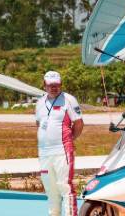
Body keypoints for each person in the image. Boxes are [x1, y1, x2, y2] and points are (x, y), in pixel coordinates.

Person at [36, 71, 83, 216]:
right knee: (51, 190)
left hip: (62, 151)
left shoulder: (69, 99)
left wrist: (69, 140)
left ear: (60, 84)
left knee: (65, 187)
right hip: (44, 153)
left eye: (56, 85)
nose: (53, 88)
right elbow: (39, 123)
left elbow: (79, 123)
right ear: (44, 85)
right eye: (50, 85)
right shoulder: (39, 103)